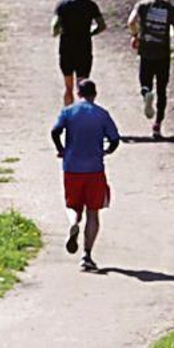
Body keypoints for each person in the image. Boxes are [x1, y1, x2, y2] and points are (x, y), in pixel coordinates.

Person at [50, 78, 120, 272]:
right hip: (94, 169)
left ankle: (73, 223)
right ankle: (87, 255)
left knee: (73, 205)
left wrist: (62, 149)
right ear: (95, 94)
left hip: (72, 168)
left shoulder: (68, 111)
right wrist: (106, 151)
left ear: (79, 94)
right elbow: (115, 140)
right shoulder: (102, 114)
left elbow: (55, 131)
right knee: (93, 212)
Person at [128, 0, 174, 138]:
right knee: (162, 89)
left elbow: (131, 22)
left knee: (145, 81)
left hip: (146, 51)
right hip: (163, 53)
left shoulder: (143, 5)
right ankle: (157, 125)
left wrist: (135, 35)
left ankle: (146, 94)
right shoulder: (170, 9)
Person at [52, 0, 106, 106]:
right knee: (82, 86)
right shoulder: (90, 5)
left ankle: (68, 115)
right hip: (84, 47)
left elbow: (55, 27)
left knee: (68, 87)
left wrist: (59, 32)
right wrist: (91, 33)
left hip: (66, 48)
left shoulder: (62, 5)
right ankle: (83, 114)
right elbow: (101, 25)